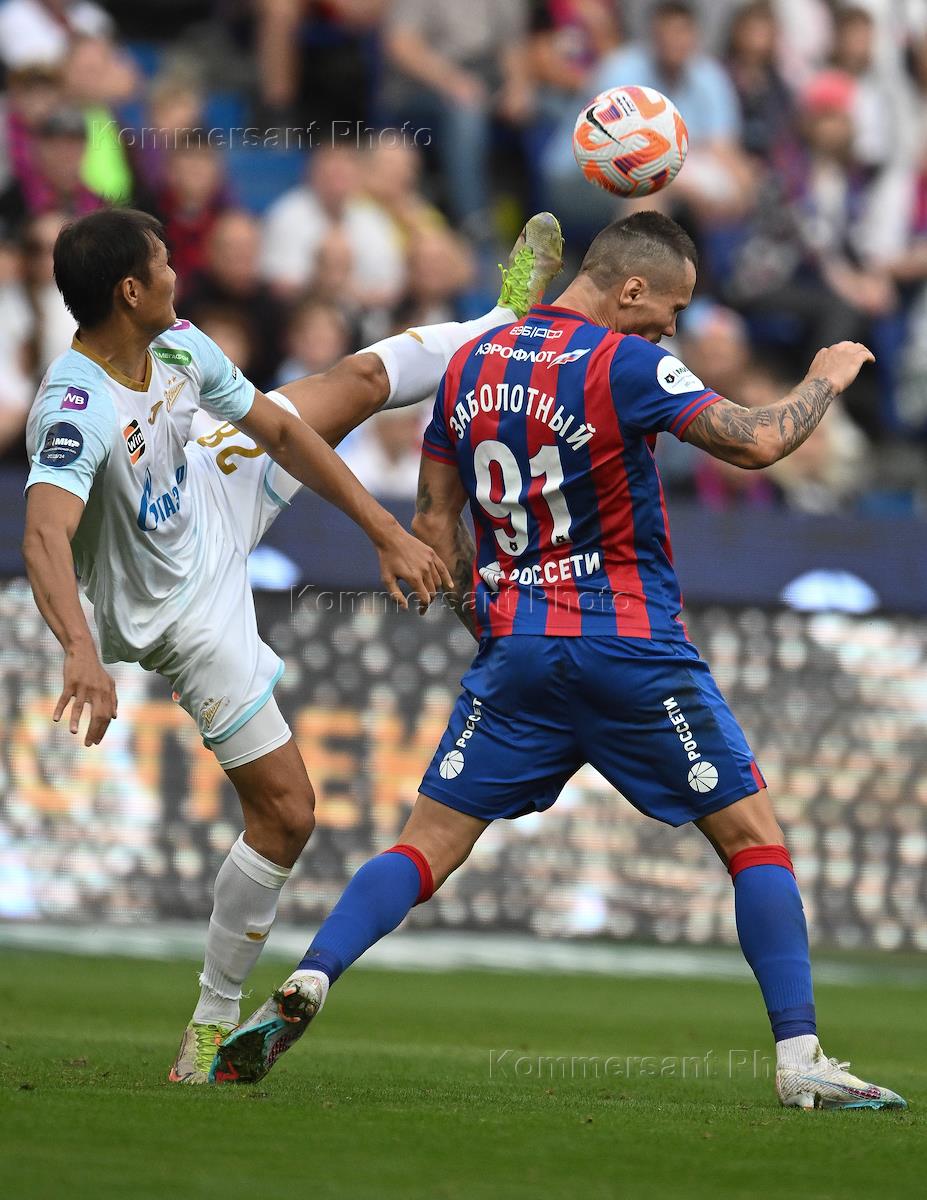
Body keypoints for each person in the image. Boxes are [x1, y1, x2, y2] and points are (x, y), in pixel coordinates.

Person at [214, 212, 906, 1112]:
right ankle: (800, 1058)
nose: (671, 330)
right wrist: (825, 376)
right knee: (752, 840)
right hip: (630, 649)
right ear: (630, 288)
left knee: (424, 846)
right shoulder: (626, 363)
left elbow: (434, 529)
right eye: (669, 310)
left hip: (518, 654)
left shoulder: (470, 365)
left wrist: (498, 636)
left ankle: (311, 976)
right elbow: (756, 441)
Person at [21, 205, 565, 1084]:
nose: (176, 273)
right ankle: (211, 1021)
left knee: (353, 381)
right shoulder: (73, 410)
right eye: (162, 263)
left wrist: (384, 531)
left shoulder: (176, 346)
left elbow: (277, 431)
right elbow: (44, 534)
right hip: (178, 611)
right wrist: (81, 653)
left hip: (207, 490)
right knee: (287, 815)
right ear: (129, 291)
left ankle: (500, 322)